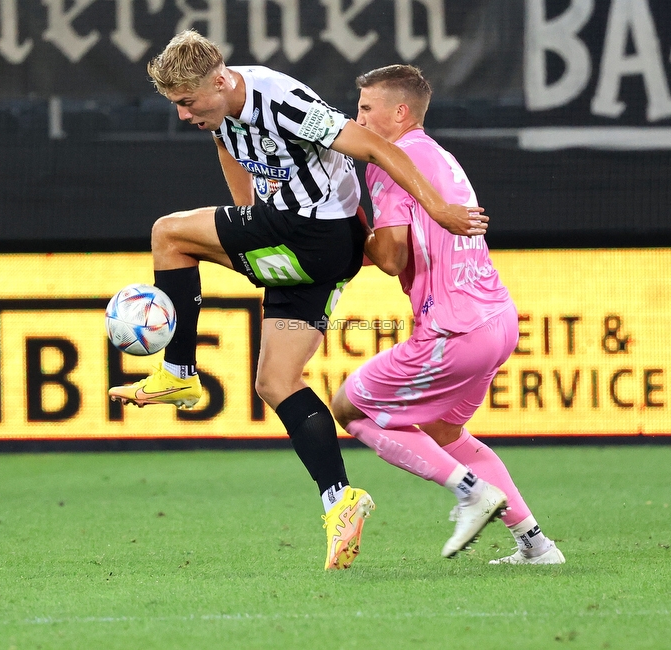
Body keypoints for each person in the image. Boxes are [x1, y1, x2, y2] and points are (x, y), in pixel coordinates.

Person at [108, 31, 489, 571]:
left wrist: (441, 209)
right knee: (276, 381)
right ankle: (341, 501)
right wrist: (246, 228)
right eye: (176, 104)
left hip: (317, 233)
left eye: (188, 102)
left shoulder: (281, 101)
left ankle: (179, 371)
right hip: (299, 241)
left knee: (167, 235)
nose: (183, 114)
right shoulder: (221, 112)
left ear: (219, 81)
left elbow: (376, 147)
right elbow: (227, 147)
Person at [330, 64, 565, 565]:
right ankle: (536, 545)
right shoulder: (437, 156)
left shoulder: (391, 161)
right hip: (498, 320)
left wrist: (349, 233)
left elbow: (391, 256)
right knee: (444, 433)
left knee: (348, 407)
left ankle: (469, 490)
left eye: (366, 109)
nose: (358, 120)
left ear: (400, 112)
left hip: (453, 329)